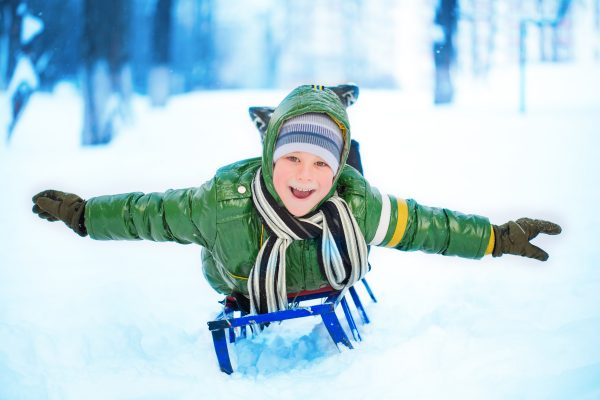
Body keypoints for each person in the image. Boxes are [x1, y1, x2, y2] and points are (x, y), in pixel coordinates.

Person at [32, 84, 561, 315]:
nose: (305, 177)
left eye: (321, 164)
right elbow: (146, 214)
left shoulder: (355, 202)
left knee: (353, 179)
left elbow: (427, 226)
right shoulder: (220, 204)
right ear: (269, 155)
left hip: (331, 254)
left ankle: (330, 107)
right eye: (291, 158)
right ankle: (287, 120)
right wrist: (83, 215)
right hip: (245, 269)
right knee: (284, 181)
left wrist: (496, 237)